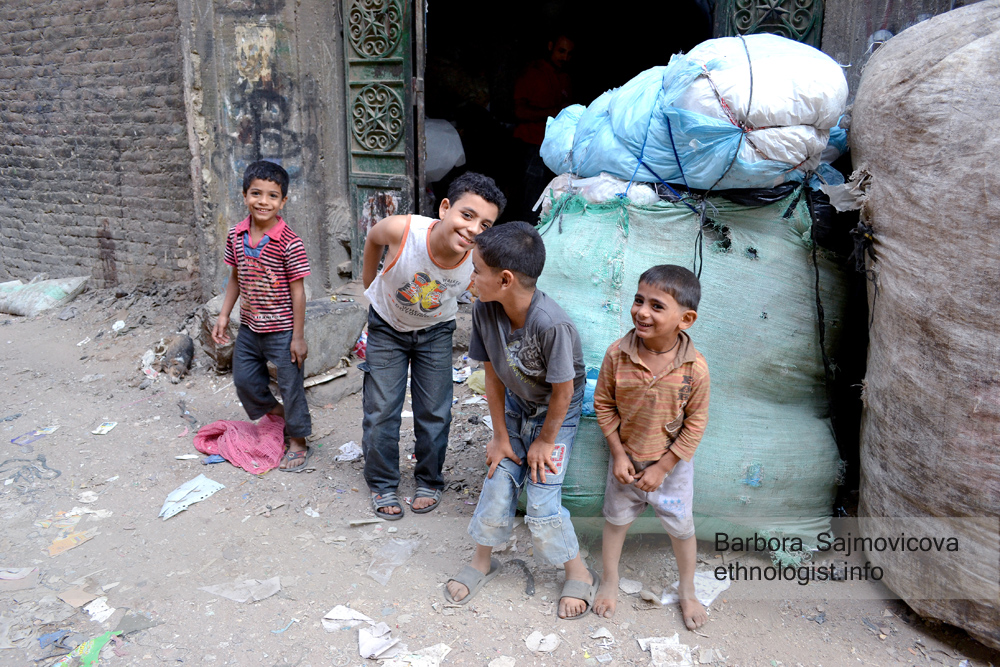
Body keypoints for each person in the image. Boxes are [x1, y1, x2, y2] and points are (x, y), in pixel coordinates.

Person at [444, 221, 599, 620]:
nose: (470, 276)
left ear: (505, 278)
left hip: (555, 416)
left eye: (476, 269)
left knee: (543, 499)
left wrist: (544, 442)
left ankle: (578, 571)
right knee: (498, 480)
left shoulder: (552, 324)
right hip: (515, 407)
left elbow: (564, 393)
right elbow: (493, 374)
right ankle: (482, 562)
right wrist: (501, 436)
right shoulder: (484, 309)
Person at [361, 172, 506, 519]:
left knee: (435, 411)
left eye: (485, 225)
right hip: (387, 328)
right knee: (382, 410)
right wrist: (370, 286)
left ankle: (429, 479)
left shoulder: (479, 259)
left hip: (436, 332)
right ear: (445, 208)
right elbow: (372, 238)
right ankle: (382, 483)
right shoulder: (403, 231)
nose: (473, 229)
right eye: (467, 215)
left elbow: (487, 293)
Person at [591, 265, 711, 628]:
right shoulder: (618, 355)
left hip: (671, 471)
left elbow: (695, 424)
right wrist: (617, 453)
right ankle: (609, 581)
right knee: (615, 523)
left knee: (681, 529)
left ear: (685, 319)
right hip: (626, 465)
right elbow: (604, 404)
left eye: (657, 306)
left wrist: (663, 467)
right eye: (639, 300)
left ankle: (687, 591)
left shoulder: (695, 370)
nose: (642, 311)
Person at [212, 160, 313, 471]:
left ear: (283, 201)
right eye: (256, 193)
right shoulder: (236, 235)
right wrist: (224, 315)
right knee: (244, 381)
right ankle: (279, 415)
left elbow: (299, 292)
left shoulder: (290, 243)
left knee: (291, 386)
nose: (263, 202)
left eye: (272, 196)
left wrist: (298, 337)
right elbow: (235, 277)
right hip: (250, 328)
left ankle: (297, 440)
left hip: (283, 332)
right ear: (244, 196)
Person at [511, 33, 575, 222]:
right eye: (561, 51)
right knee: (531, 199)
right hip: (532, 143)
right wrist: (553, 112)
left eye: (569, 54)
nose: (564, 57)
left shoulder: (564, 77)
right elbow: (520, 112)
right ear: (550, 46)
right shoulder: (534, 73)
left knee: (550, 197)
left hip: (555, 148)